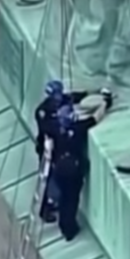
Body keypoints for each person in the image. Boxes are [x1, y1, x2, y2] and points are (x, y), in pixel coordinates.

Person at [50, 88, 114, 241]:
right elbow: (95, 118)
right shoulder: (77, 130)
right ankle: (69, 229)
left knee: (64, 198)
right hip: (72, 171)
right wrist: (104, 103)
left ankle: (64, 225)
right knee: (72, 200)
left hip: (59, 168)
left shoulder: (55, 129)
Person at [35, 81, 90, 223]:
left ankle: (56, 202)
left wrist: (88, 95)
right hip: (47, 150)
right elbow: (49, 129)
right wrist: (65, 121)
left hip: (58, 147)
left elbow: (72, 97)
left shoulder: (62, 101)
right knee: (48, 179)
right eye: (56, 95)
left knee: (56, 179)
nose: (59, 97)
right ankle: (44, 209)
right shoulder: (42, 111)